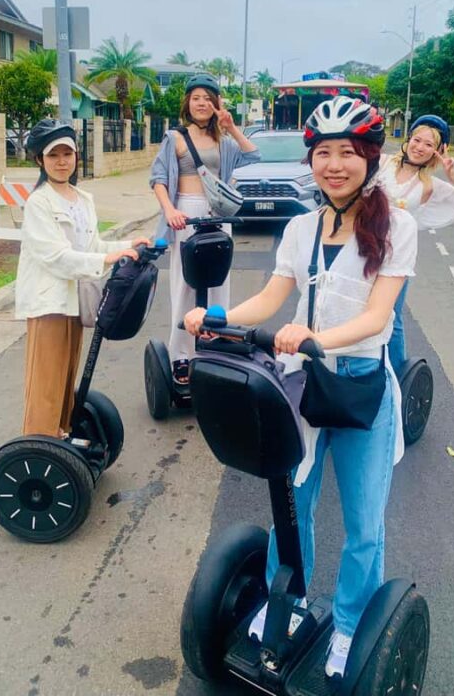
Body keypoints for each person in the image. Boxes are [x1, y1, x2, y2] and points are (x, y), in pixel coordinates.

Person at [184, 96, 418, 678]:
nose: (334, 164)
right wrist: (217, 318)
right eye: (323, 153)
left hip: (362, 388)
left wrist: (315, 337)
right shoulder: (299, 227)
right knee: (294, 505)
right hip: (305, 388)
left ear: (369, 157)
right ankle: (284, 602)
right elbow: (270, 298)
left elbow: (378, 319)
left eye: (348, 152)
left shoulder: (398, 226)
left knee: (365, 524)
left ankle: (346, 627)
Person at [15, 119, 149, 438]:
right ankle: (39, 445)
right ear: (39, 160)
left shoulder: (83, 199)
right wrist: (105, 258)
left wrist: (127, 246)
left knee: (65, 380)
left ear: (77, 156)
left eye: (67, 153)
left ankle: (60, 435)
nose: (62, 161)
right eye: (53, 155)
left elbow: (93, 247)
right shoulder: (39, 203)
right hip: (49, 303)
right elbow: (56, 257)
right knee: (46, 384)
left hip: (75, 302)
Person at [149, 74, 260, 384]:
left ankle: (214, 349)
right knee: (185, 287)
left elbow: (253, 155)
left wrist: (232, 126)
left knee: (217, 287)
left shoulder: (223, 141)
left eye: (208, 99)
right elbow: (158, 178)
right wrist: (170, 210)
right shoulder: (175, 137)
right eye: (196, 97)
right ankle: (182, 357)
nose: (201, 103)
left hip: (218, 215)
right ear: (188, 102)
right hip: (185, 214)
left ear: (216, 104)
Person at [378, 114, 454, 371]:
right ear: (408, 140)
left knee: (392, 318)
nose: (420, 147)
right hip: (361, 249)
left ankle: (397, 377)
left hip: (396, 258)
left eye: (428, 144)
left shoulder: (429, 186)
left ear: (438, 151)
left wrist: (453, 175)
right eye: (417, 140)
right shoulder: (381, 164)